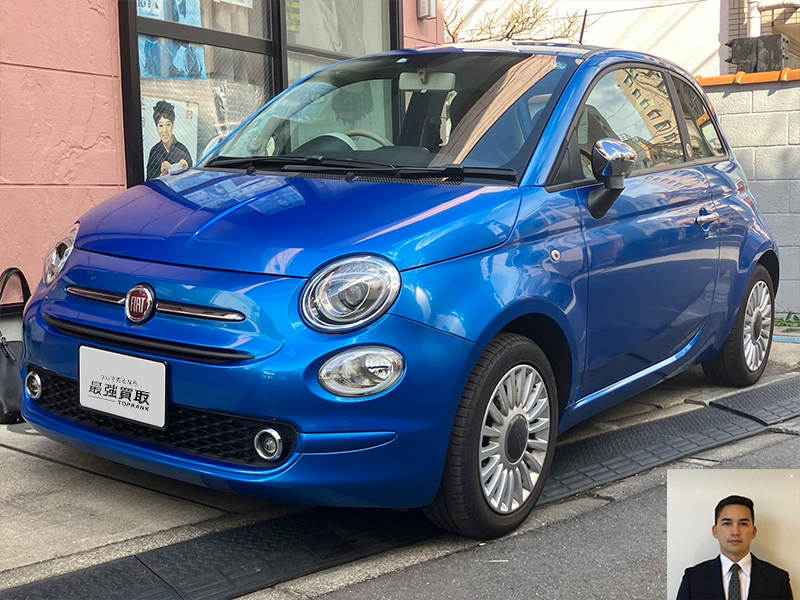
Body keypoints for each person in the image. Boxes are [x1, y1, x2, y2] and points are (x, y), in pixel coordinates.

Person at [677, 495, 793, 600]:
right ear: (715, 531)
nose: (735, 532)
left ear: (753, 531)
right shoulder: (693, 578)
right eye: (727, 523)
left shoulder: (777, 580)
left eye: (743, 524)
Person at [146, 100, 193, 181]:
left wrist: (186, 170)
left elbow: (191, 180)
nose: (164, 130)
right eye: (161, 125)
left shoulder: (182, 150)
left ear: (173, 125)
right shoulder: (154, 151)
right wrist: (162, 175)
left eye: (168, 124)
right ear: (156, 127)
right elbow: (149, 182)